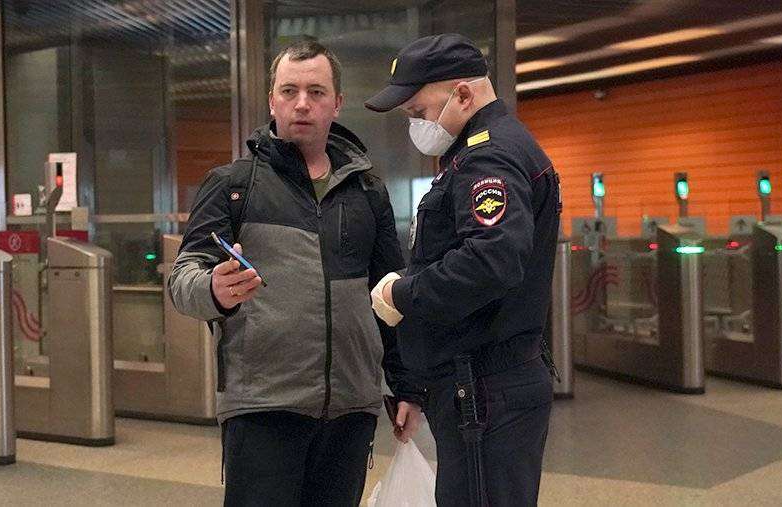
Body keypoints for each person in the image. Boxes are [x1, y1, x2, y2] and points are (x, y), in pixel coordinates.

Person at [168, 40, 424, 506]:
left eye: (316, 92)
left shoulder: (368, 191)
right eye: (289, 91)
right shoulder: (233, 185)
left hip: (350, 408)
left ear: (336, 103)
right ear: (272, 101)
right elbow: (182, 278)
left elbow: (389, 294)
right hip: (262, 406)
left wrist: (406, 385)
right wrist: (214, 289)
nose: (302, 103)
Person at [365, 33, 561, 507]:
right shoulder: (481, 151)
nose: (415, 124)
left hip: (485, 391)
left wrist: (402, 294)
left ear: (464, 94)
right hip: (482, 387)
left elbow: (492, 259)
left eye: (418, 111)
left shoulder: (488, 156)